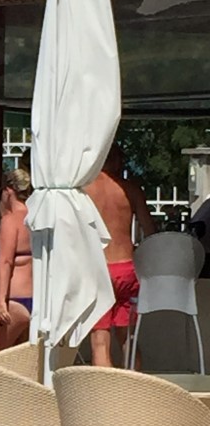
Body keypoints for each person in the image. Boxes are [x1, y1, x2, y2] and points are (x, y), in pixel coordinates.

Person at [84, 143, 156, 367]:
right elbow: (150, 231)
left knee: (100, 339)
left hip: (99, 267)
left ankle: (103, 387)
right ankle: (133, 383)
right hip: (127, 267)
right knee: (128, 337)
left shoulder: (85, 189)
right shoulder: (131, 190)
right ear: (117, 160)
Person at [0, 168, 33, 355]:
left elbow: (5, 262)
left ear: (8, 191)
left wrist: (1, 301)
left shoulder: (11, 221)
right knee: (20, 362)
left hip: (14, 300)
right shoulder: (36, 218)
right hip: (35, 298)